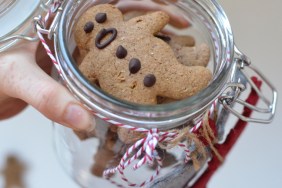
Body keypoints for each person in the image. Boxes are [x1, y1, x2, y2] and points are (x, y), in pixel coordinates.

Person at [0, 0, 188, 132]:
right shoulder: (94, 58)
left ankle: (188, 70)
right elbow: (82, 75)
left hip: (167, 75)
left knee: (181, 79)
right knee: (138, 121)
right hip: (134, 105)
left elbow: (158, 17)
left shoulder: (133, 28)